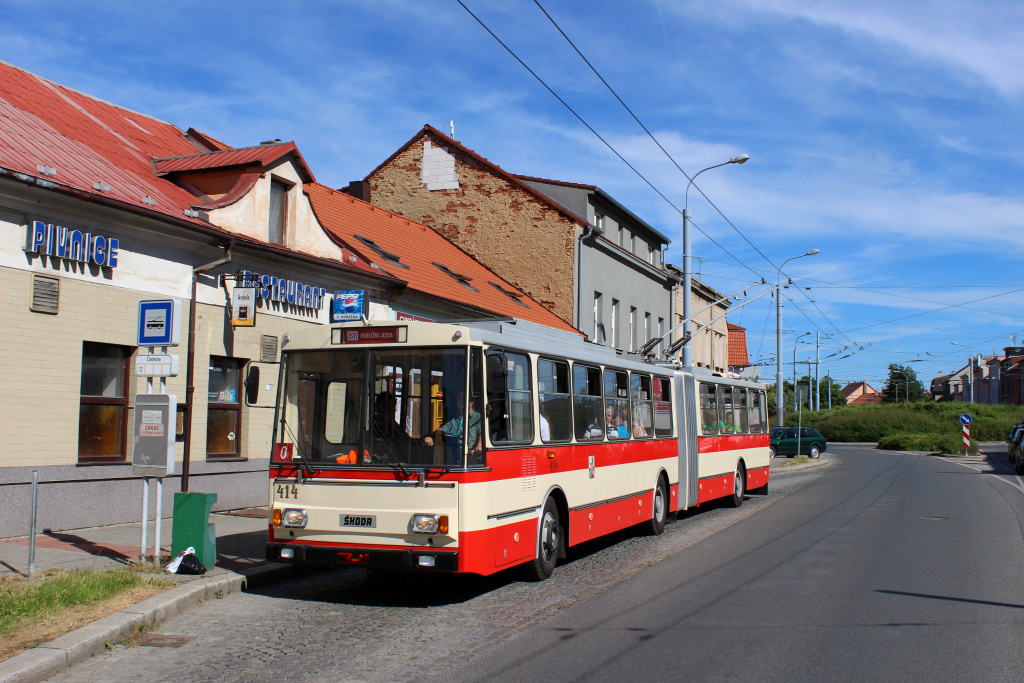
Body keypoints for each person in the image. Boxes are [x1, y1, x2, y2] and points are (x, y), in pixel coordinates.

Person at [424, 395, 482, 465]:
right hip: (450, 451)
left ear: (471, 402)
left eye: (463, 399)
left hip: (468, 453)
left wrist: (479, 445)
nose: (461, 402)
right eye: (459, 399)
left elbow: (481, 433)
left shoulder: (478, 417)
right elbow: (440, 431)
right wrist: (431, 437)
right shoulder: (453, 419)